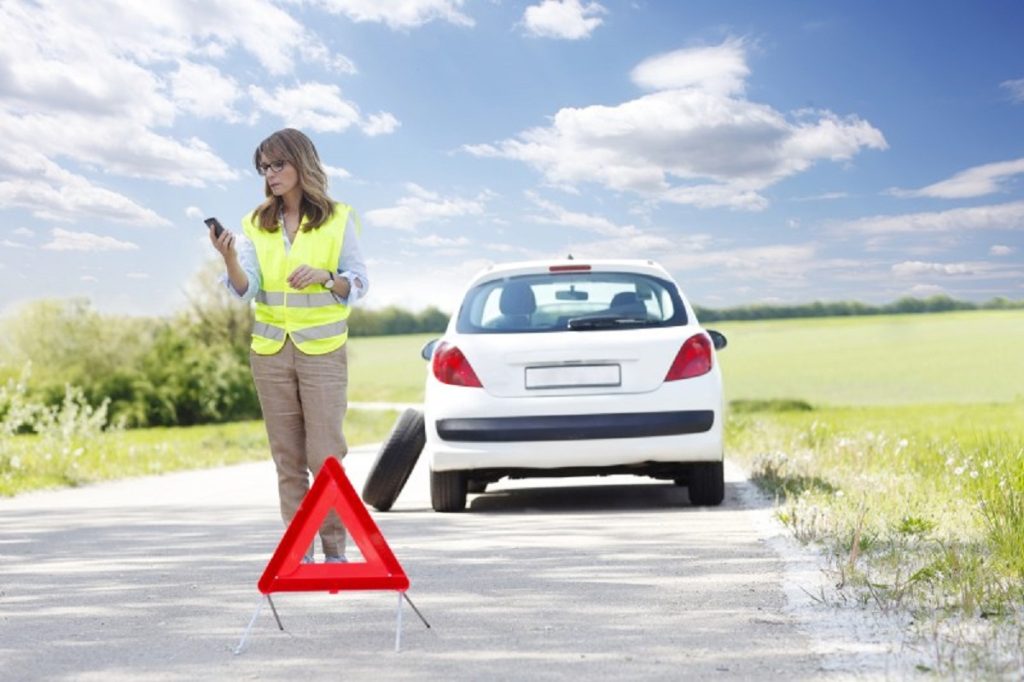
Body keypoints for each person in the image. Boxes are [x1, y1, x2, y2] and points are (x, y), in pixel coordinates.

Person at [208, 128, 368, 563]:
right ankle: (300, 554)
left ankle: (335, 552)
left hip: (323, 351)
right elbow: (247, 290)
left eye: (278, 164)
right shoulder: (254, 223)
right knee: (288, 459)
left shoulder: (338, 217)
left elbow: (358, 281)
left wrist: (325, 277)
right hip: (271, 351)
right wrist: (229, 260)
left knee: (326, 457)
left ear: (301, 162)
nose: (270, 174)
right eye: (264, 167)